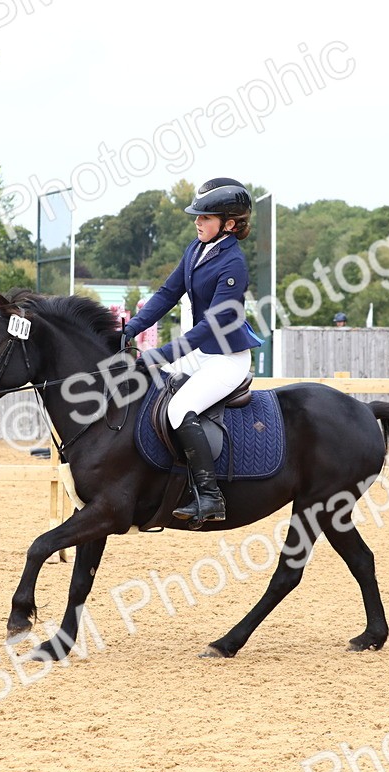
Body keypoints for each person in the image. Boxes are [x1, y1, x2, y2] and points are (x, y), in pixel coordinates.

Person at [122, 177, 263, 526]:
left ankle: (210, 496)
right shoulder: (195, 249)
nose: (197, 221)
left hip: (226, 357)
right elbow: (167, 294)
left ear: (228, 224)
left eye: (205, 217)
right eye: (197, 216)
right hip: (201, 351)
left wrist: (161, 354)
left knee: (180, 407)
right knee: (152, 394)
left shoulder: (233, 264)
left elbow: (210, 326)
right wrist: (129, 328)